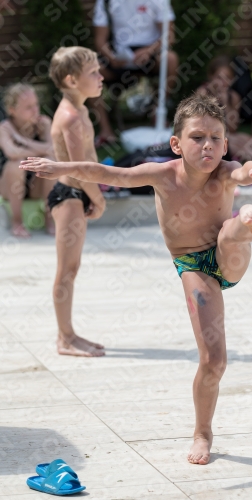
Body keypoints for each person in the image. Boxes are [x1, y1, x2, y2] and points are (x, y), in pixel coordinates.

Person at [20, 93, 252, 464]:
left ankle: (249, 222)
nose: (208, 145)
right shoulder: (162, 175)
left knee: (231, 231)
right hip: (193, 265)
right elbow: (111, 174)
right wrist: (62, 168)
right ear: (176, 144)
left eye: (216, 138)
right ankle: (202, 432)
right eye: (197, 137)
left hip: (229, 252)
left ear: (225, 143)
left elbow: (244, 169)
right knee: (214, 361)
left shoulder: (225, 171)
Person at [47, 46, 106, 357]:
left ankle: (68, 333)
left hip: (76, 194)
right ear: (71, 80)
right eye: (93, 73)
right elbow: (80, 168)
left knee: (73, 266)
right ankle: (65, 338)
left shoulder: (80, 110)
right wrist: (98, 199)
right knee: (66, 269)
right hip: (70, 195)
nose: (101, 77)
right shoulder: (71, 117)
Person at [92, 0, 178, 144]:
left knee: (171, 59)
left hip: (151, 53)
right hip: (118, 55)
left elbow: (169, 36)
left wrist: (148, 51)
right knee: (90, 70)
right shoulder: (105, 2)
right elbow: (100, 41)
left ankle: (157, 114)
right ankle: (106, 131)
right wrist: (111, 58)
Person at [0, 83, 55, 237]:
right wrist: (40, 149)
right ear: (12, 110)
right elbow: (11, 153)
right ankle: (17, 222)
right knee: (16, 164)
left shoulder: (43, 124)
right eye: (28, 107)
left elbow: (53, 151)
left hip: (34, 185)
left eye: (36, 105)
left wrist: (21, 140)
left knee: (50, 161)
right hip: (8, 186)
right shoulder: (5, 127)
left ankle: (49, 220)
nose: (35, 110)